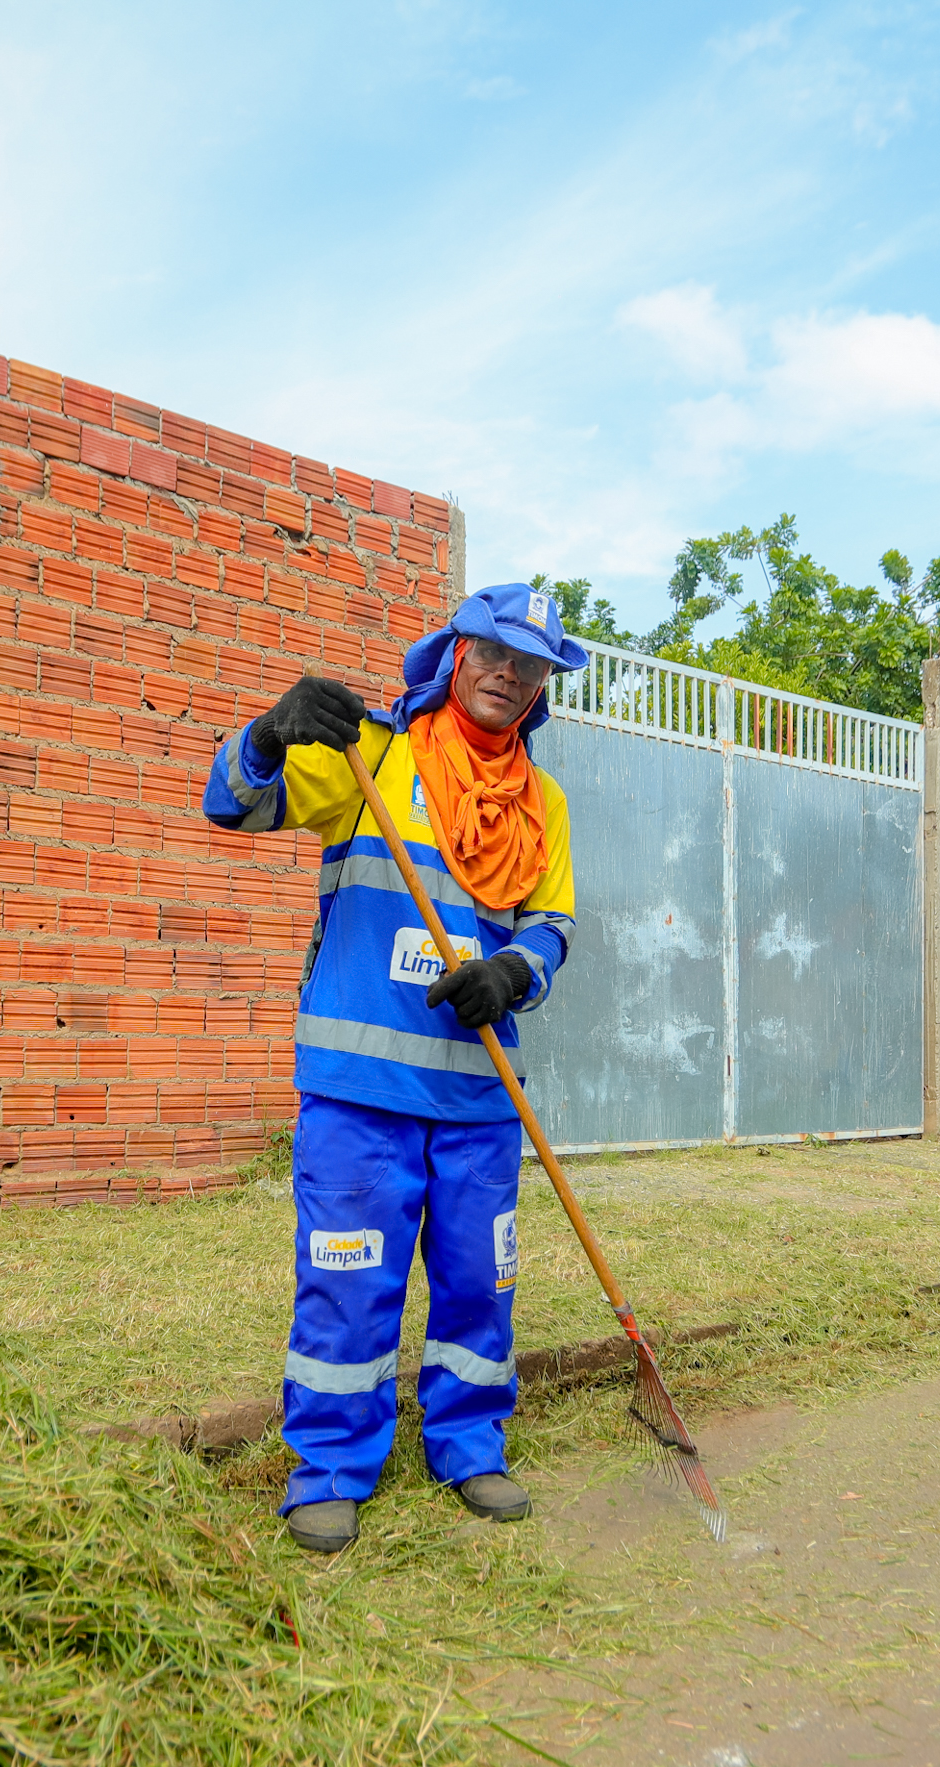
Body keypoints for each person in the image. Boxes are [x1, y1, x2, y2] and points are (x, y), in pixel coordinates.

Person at [202, 584, 587, 1553]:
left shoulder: (542, 803)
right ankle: (331, 1465)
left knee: (479, 1285)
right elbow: (232, 804)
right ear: (455, 655)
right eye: (493, 653)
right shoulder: (372, 755)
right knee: (348, 1285)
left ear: (542, 686)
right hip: (360, 1096)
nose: (510, 674)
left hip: (478, 1097)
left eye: (531, 665)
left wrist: (512, 972)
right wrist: (269, 734)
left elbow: (552, 924)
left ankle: (470, 1443)